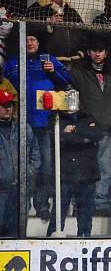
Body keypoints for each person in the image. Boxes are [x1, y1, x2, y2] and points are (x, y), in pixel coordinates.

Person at [4, 33, 71, 221]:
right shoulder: (12, 62)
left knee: (45, 168)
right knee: (19, 167)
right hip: (18, 125)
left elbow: (67, 80)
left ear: (39, 42)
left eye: (33, 39)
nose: (30, 42)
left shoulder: (49, 60)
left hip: (44, 124)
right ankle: (20, 207)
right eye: (26, 39)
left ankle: (42, 205)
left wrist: (53, 72)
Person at [69, 38, 111, 215]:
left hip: (107, 128)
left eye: (101, 50)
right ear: (89, 52)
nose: (98, 54)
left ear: (106, 53)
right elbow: (73, 97)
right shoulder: (79, 72)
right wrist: (83, 120)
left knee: (105, 166)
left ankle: (100, 202)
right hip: (86, 128)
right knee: (84, 167)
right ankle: (81, 203)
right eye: (94, 50)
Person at [47, 109, 101, 237]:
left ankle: (85, 242)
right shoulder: (56, 118)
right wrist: (84, 135)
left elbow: (97, 134)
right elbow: (60, 139)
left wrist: (74, 129)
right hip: (66, 174)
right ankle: (51, 242)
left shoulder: (88, 115)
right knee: (58, 215)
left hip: (88, 174)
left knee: (86, 218)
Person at [0, 89, 40, 237]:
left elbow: (35, 153)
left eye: (10, 104)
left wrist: (29, 171)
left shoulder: (24, 128)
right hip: (1, 191)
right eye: (3, 105)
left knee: (18, 235)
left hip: (20, 191)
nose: (8, 108)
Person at [24, 0, 85, 68]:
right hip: (47, 61)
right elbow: (29, 32)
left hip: (73, 63)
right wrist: (48, 23)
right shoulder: (35, 9)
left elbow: (83, 31)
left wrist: (81, 53)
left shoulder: (70, 10)